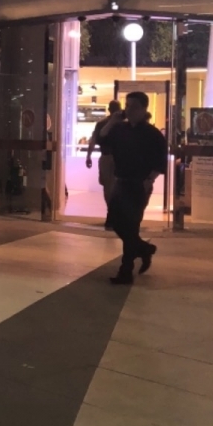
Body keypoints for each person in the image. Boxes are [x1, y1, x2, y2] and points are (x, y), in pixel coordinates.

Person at [98, 91, 167, 285]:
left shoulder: (153, 134)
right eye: (127, 106)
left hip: (139, 184)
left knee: (131, 225)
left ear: (144, 109)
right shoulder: (120, 129)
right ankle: (144, 249)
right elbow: (102, 139)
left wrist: (149, 180)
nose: (129, 110)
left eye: (134, 107)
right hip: (120, 182)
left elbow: (160, 161)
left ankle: (126, 270)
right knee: (116, 222)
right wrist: (112, 121)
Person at [86, 100, 122, 230]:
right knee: (119, 187)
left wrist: (88, 156)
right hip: (120, 159)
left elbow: (93, 141)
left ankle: (111, 213)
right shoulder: (123, 124)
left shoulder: (101, 124)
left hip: (106, 157)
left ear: (109, 109)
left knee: (107, 187)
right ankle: (115, 214)